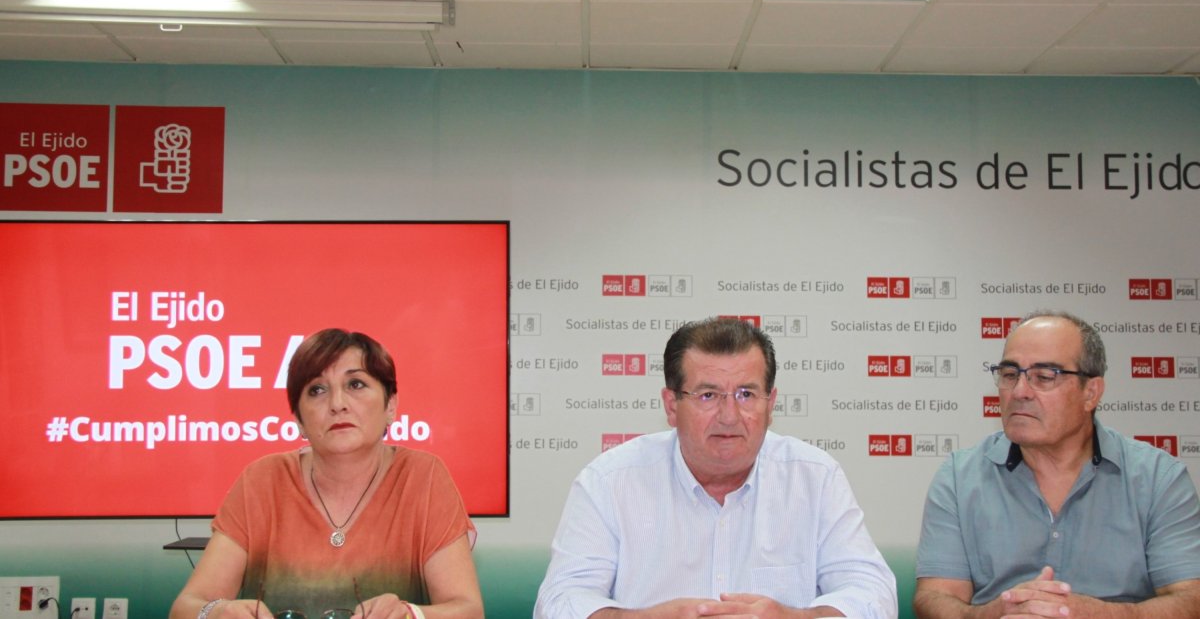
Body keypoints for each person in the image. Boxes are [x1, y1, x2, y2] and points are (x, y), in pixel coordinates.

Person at [535, 317, 898, 619]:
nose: (729, 416)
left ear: (770, 404)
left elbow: (874, 595)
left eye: (746, 394)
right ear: (672, 406)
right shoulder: (610, 482)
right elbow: (559, 603)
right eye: (708, 395)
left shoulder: (815, 477)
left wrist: (794, 618)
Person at [171, 329, 483, 619]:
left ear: (391, 405)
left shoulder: (423, 477)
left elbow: (468, 610)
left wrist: (411, 615)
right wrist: (215, 612)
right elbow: (186, 607)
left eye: (356, 384)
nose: (337, 404)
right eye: (317, 390)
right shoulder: (262, 480)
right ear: (298, 419)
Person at [914, 311, 1200, 619]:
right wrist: (992, 613)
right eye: (1010, 374)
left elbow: (1190, 599)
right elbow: (935, 597)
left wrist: (1099, 615)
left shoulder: (1158, 479)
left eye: (1044, 377)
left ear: (1091, 392)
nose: (1020, 391)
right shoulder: (959, 477)